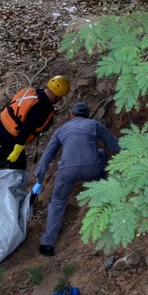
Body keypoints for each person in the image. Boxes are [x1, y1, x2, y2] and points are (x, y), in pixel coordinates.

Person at [32, 102, 121, 256]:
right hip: (92, 169)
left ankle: (47, 244)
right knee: (102, 154)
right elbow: (115, 146)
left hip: (68, 172)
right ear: (87, 115)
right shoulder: (95, 124)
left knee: (57, 202)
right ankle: (104, 192)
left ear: (71, 115)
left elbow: (47, 156)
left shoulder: (61, 130)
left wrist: (39, 180)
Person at [0, 76, 70, 170]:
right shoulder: (43, 109)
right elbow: (26, 130)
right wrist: (17, 150)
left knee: (6, 145)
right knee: (19, 167)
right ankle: (11, 172)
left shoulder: (31, 91)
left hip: (1, 123)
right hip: (10, 135)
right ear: (58, 97)